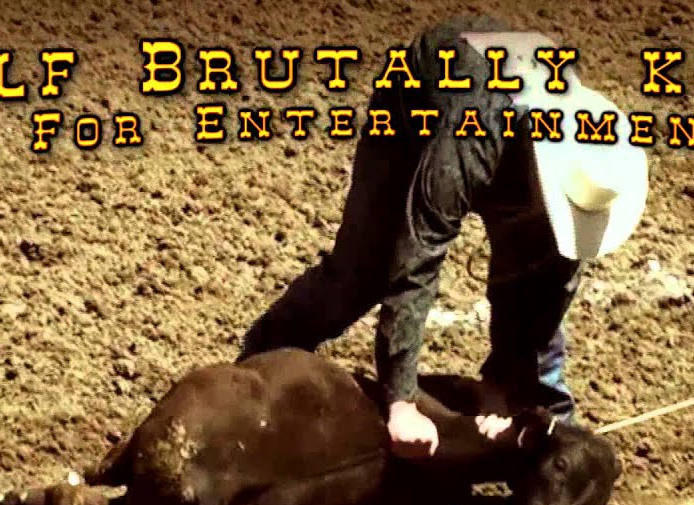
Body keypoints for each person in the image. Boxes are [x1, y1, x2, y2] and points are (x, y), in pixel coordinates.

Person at [238, 16, 649, 458]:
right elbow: (417, 258)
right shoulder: (470, 140)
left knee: (541, 276)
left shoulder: (586, 158)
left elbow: (556, 281)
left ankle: (547, 429)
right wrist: (401, 402)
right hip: (415, 112)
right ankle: (258, 364)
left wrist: (505, 384)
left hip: (502, 113)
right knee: (362, 273)